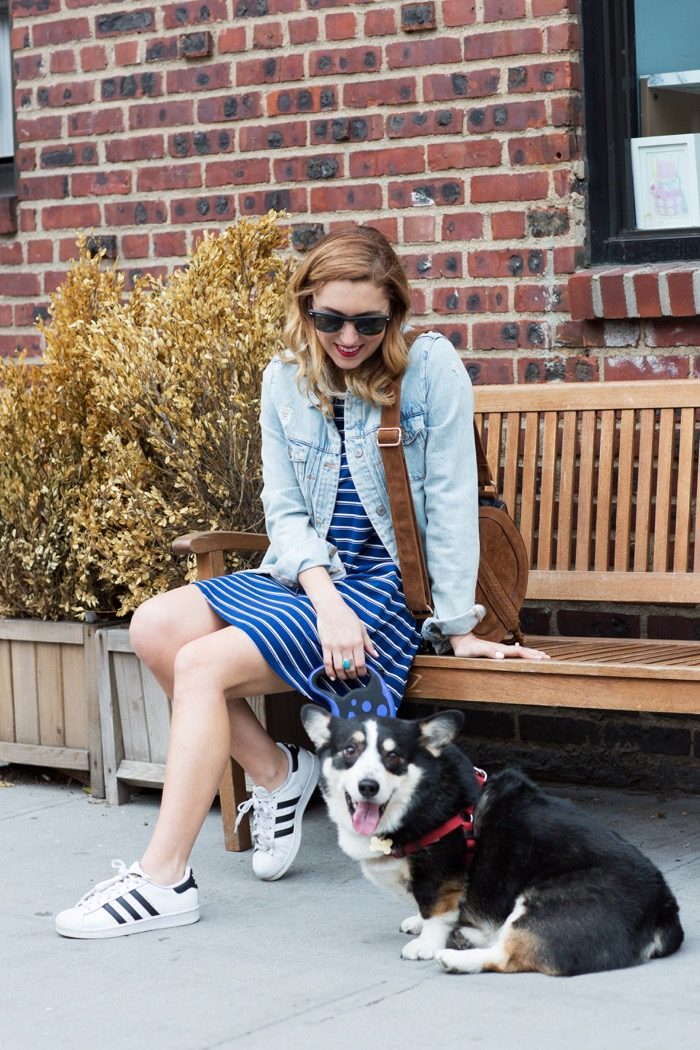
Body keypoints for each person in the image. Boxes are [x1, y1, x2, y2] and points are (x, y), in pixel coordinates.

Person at [55, 225, 548, 939]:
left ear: (395, 314)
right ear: (305, 306)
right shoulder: (283, 378)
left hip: (383, 589)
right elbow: (284, 513)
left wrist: (458, 626)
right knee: (153, 628)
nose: (348, 337)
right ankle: (276, 772)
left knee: (199, 664)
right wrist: (322, 602)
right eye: (330, 319)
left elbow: (448, 500)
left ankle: (164, 878)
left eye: (369, 322)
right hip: (312, 579)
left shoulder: (430, 369)